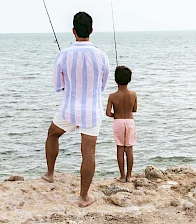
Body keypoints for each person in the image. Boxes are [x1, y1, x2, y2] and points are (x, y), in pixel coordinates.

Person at [42, 11, 110, 208]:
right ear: (91, 30)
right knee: (88, 153)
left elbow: (58, 85)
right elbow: (102, 86)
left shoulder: (63, 55)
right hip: (92, 112)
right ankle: (83, 197)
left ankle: (50, 174)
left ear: (73, 31)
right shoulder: (102, 56)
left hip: (68, 110)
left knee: (52, 135)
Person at [106, 66, 137, 183]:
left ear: (115, 80)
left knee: (120, 148)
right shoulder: (133, 94)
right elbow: (134, 109)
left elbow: (108, 113)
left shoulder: (112, 96)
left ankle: (122, 176)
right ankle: (129, 176)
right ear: (129, 79)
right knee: (129, 149)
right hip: (130, 121)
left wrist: (117, 114)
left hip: (118, 122)